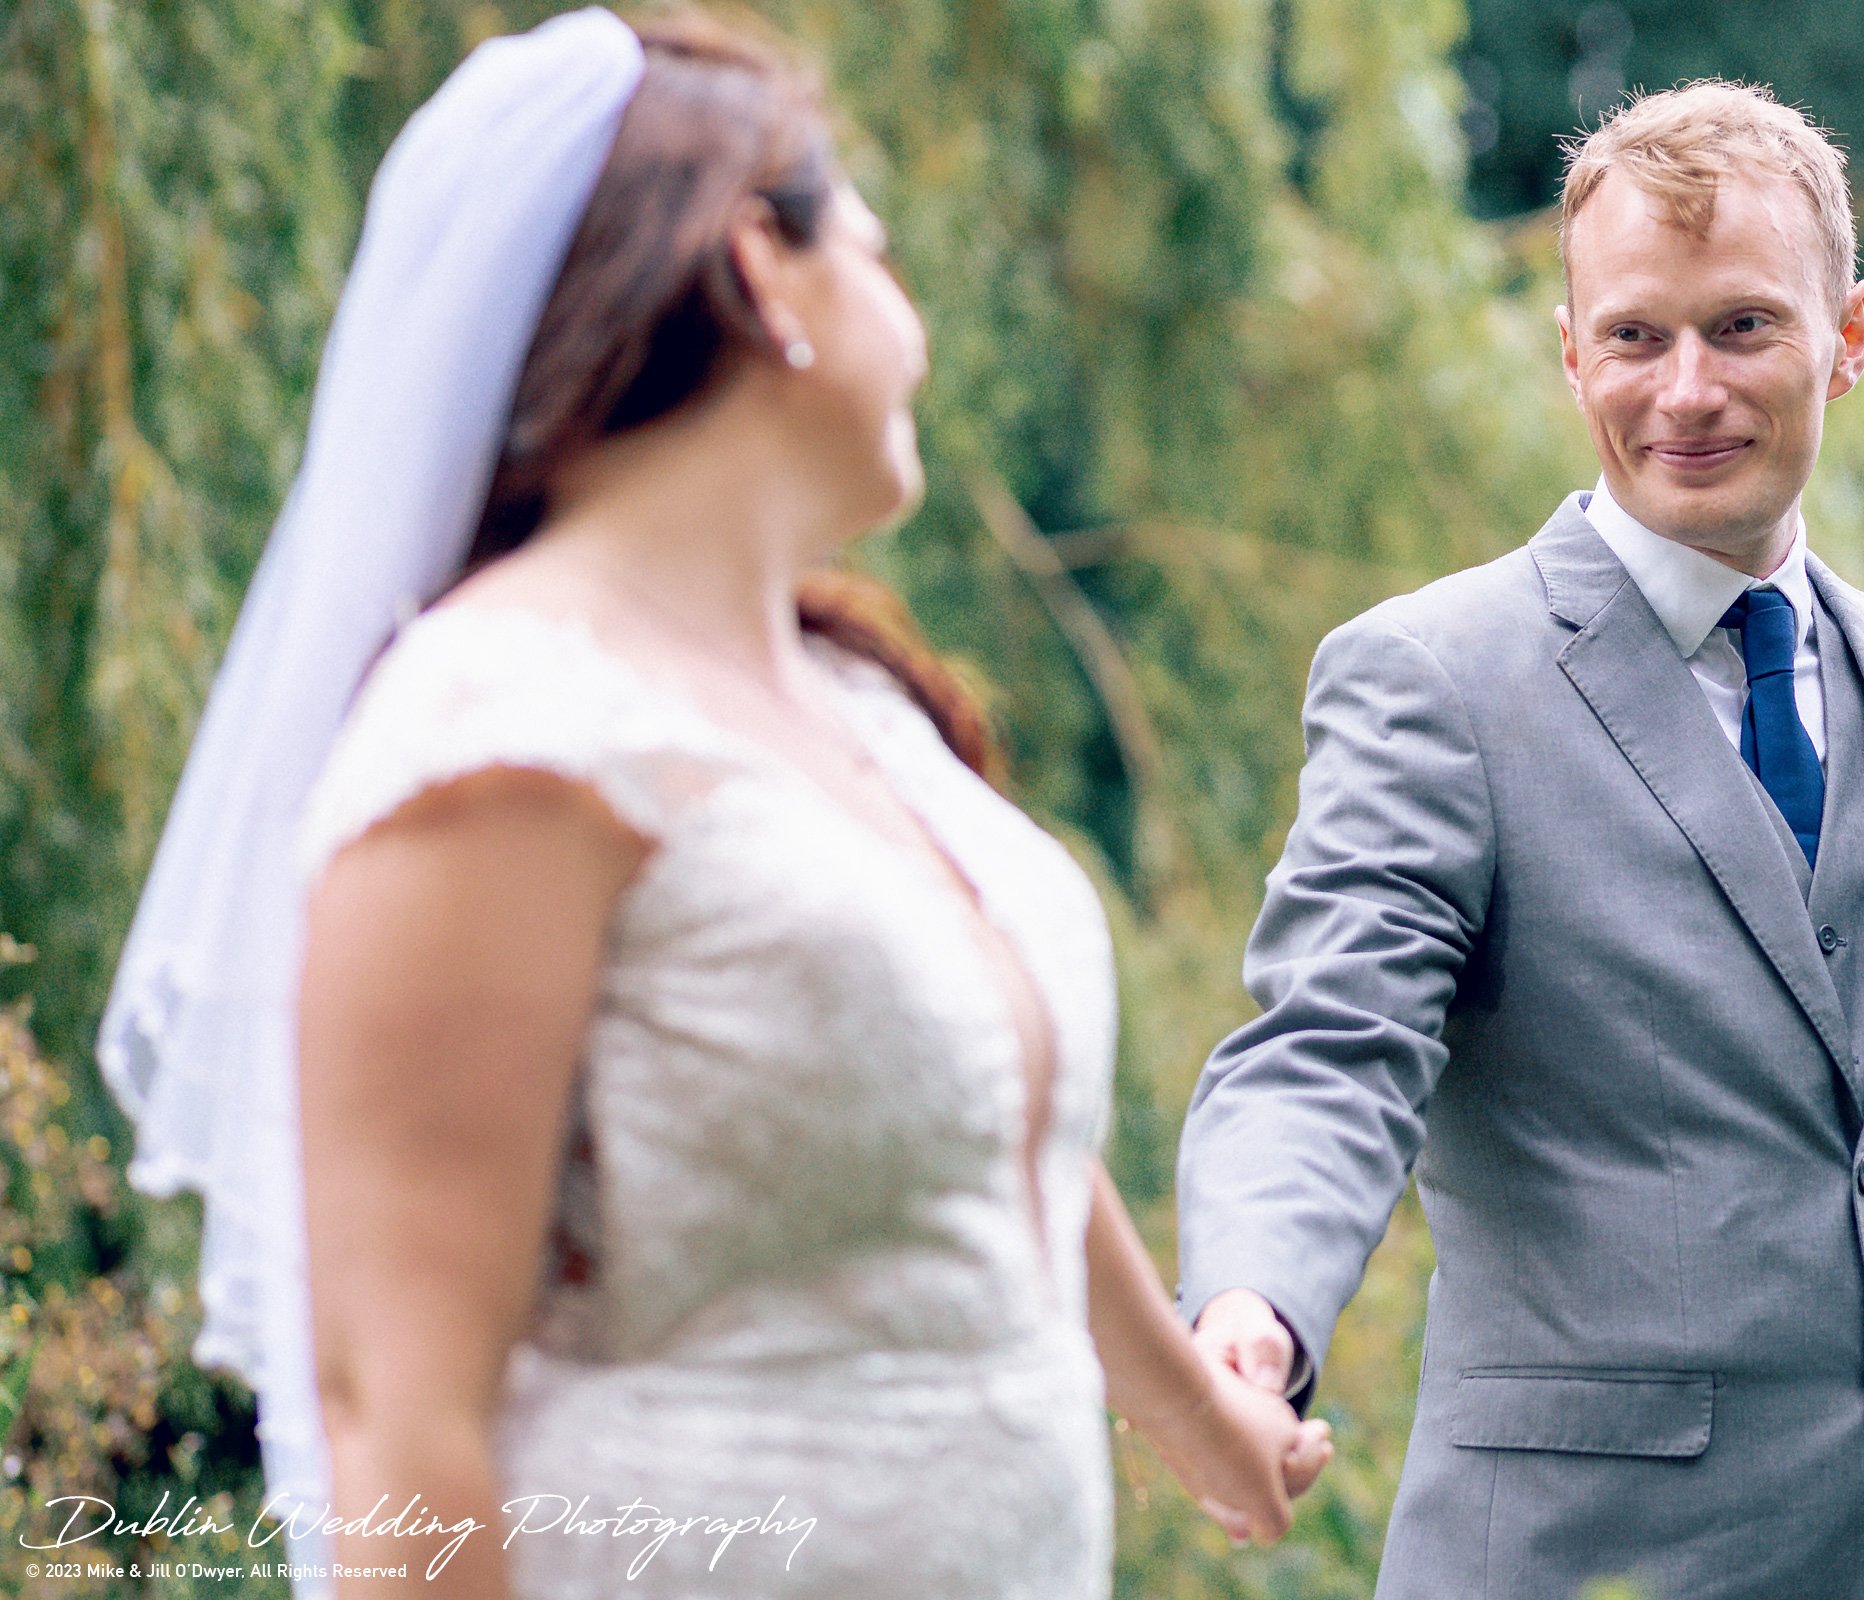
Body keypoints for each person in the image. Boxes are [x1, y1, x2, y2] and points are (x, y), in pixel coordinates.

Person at [99, 9, 1328, 1596]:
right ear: (759, 267)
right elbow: (390, 1416)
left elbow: (982, 1117)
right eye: (876, 255)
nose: (919, 319)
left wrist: (1198, 1420)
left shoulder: (859, 708)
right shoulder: (503, 737)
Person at [1173, 81, 1864, 1600]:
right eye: (1633, 336)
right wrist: (1252, 1302)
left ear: (1850, 335)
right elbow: (1325, 1043)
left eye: (1743, 327)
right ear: (1570, 352)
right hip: (1596, 1561)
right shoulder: (1436, 680)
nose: (1687, 390)